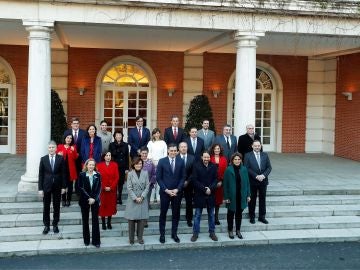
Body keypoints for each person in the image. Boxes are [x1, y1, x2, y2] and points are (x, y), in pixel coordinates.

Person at [156, 143, 185, 244]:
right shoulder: (162, 161)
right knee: (163, 214)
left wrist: (177, 189)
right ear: (168, 151)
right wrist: (166, 190)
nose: (173, 152)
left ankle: (174, 234)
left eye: (174, 151)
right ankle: (162, 235)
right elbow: (158, 178)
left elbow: (183, 177)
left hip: (177, 193)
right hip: (165, 193)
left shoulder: (181, 162)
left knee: (175, 214)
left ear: (177, 151)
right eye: (171, 151)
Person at [38, 141, 66, 235]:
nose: (51, 149)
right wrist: (40, 189)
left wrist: (63, 187)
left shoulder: (61, 159)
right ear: (48, 148)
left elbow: (63, 173)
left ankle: (55, 224)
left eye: (53, 147)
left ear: (56, 148)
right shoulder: (43, 159)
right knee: (46, 207)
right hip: (46, 186)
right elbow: (41, 175)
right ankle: (46, 225)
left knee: (56, 206)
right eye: (50, 147)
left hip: (58, 186)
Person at [191, 151, 218, 242]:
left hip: (211, 193)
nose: (206, 159)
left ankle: (212, 232)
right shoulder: (196, 166)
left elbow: (216, 179)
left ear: (210, 158)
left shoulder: (214, 166)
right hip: (200, 194)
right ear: (202, 157)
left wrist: (210, 188)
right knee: (197, 215)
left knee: (211, 215)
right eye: (205, 157)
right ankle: (195, 233)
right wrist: (204, 189)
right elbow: (195, 180)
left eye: (208, 157)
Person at [223, 152, 251, 239]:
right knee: (230, 214)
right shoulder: (228, 169)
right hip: (232, 197)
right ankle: (230, 230)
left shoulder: (244, 169)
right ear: (232, 160)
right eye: (235, 159)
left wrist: (248, 195)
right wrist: (226, 197)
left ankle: (238, 230)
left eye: (239, 159)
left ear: (241, 160)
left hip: (241, 195)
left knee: (239, 214)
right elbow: (225, 184)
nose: (237, 161)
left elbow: (247, 183)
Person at [244, 140, 272, 225]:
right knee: (252, 200)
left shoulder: (265, 155)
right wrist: (256, 176)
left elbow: (269, 167)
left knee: (262, 199)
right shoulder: (247, 155)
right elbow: (247, 168)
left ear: (261, 146)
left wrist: (263, 176)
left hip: (263, 181)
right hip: (252, 181)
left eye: (258, 146)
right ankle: (252, 216)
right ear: (252, 146)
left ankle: (262, 217)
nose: (257, 147)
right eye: (255, 146)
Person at [124, 157, 150, 245]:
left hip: (142, 199)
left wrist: (142, 197)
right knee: (131, 221)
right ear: (133, 165)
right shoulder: (130, 174)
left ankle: (140, 238)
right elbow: (129, 188)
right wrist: (135, 198)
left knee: (141, 221)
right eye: (137, 163)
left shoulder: (145, 173)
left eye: (140, 163)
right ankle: (131, 239)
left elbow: (147, 186)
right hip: (132, 200)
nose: (139, 165)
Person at [78, 158, 101, 248]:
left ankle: (96, 241)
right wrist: (89, 198)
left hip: (95, 201)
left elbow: (99, 188)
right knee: (85, 220)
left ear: (95, 166)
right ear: (86, 165)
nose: (91, 166)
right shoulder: (82, 175)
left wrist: (94, 198)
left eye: (93, 165)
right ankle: (86, 240)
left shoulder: (98, 175)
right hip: (85, 200)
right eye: (90, 164)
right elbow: (80, 188)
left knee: (95, 220)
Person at [97, 152, 119, 230]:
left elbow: (117, 177)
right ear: (104, 157)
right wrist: (103, 187)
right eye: (107, 155)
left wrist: (111, 187)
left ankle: (109, 222)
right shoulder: (99, 165)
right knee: (103, 206)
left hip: (112, 190)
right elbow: (98, 177)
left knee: (111, 206)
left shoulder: (115, 165)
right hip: (103, 190)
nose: (108, 157)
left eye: (110, 155)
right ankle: (103, 223)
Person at [56, 134, 79, 207]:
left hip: (70, 170)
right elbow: (56, 156)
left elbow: (75, 158)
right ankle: (63, 200)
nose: (69, 139)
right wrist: (58, 154)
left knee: (70, 186)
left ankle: (68, 199)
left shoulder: (73, 147)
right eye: (67, 138)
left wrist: (74, 151)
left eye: (70, 138)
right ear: (64, 138)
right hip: (62, 170)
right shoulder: (60, 146)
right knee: (63, 185)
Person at [147, 128, 167, 203]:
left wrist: (160, 162)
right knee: (152, 180)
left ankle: (158, 196)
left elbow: (165, 153)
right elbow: (149, 153)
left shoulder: (163, 142)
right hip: (152, 163)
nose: (157, 135)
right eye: (155, 133)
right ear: (153, 134)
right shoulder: (150, 143)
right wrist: (153, 162)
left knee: (159, 180)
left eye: (158, 133)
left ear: (160, 134)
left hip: (161, 163)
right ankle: (152, 197)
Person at [109, 130, 129, 205]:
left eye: (120, 135)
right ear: (114, 136)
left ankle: (119, 197)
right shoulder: (111, 145)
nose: (118, 136)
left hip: (122, 166)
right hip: (114, 166)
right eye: (117, 135)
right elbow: (111, 155)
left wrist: (127, 168)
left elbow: (126, 156)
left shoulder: (126, 145)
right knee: (114, 183)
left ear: (122, 136)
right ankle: (114, 198)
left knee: (120, 183)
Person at [209, 143, 228, 225]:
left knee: (217, 202)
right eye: (215, 149)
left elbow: (225, 172)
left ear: (220, 150)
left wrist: (221, 181)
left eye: (218, 149)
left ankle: (216, 218)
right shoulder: (209, 158)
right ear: (213, 149)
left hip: (220, 184)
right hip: (211, 183)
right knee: (211, 202)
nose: (217, 150)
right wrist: (213, 183)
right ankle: (211, 218)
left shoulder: (224, 159)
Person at [178, 141, 195, 227]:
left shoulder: (192, 158)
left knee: (189, 202)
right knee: (177, 202)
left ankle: (189, 219)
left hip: (189, 184)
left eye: (185, 147)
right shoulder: (175, 157)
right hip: (178, 185)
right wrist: (181, 182)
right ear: (179, 148)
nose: (183, 148)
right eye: (182, 147)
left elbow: (194, 172)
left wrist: (187, 181)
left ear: (187, 148)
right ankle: (176, 218)